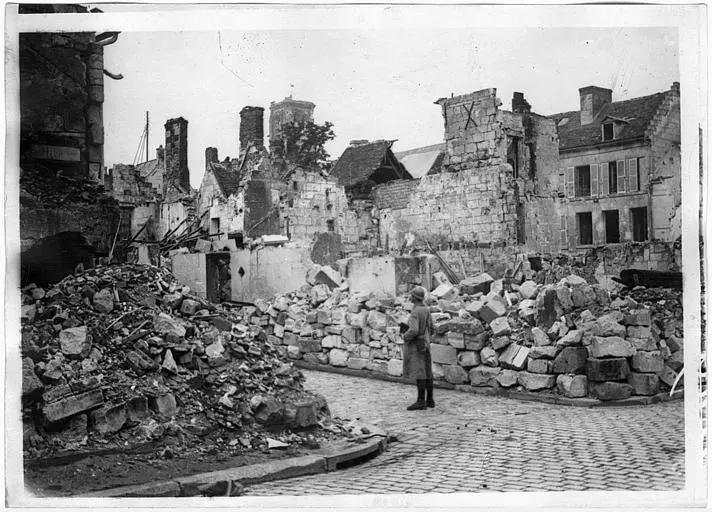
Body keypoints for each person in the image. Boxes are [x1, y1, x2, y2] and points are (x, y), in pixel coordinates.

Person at [401, 286, 434, 410]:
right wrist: (426, 338)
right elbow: (431, 327)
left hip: (416, 345)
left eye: (411, 295)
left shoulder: (415, 311)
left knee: (420, 372)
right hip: (425, 343)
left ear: (414, 297)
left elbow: (414, 330)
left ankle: (421, 401)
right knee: (427, 371)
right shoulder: (426, 309)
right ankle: (430, 400)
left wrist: (405, 336)